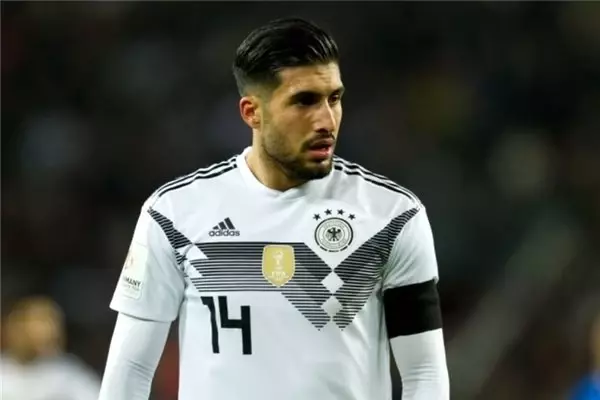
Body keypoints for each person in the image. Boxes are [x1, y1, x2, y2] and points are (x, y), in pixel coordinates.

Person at [98, 17, 450, 400]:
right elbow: (130, 370)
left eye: (334, 98)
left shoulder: (392, 217)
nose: (326, 120)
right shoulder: (173, 215)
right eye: (304, 101)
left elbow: (424, 374)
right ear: (252, 112)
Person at [1, 296, 101, 400]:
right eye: (40, 321)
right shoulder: (3, 372)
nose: (49, 330)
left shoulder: (68, 374)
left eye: (52, 322)